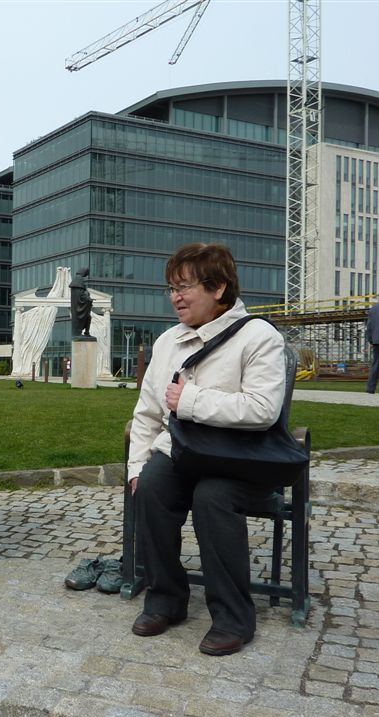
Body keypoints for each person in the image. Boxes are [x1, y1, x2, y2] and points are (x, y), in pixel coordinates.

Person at [126, 243, 286, 657]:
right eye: (171, 288)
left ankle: (234, 617)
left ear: (218, 288)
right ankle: (166, 600)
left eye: (184, 287)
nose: (175, 297)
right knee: (152, 487)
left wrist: (192, 400)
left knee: (212, 496)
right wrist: (135, 467)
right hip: (181, 453)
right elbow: (146, 414)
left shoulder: (258, 336)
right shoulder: (167, 342)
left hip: (238, 459)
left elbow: (264, 410)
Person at [69, 267, 94, 338]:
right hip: (79, 307)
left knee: (88, 317)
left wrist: (87, 297)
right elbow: (80, 295)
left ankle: (87, 332)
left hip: (80, 305)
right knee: (86, 317)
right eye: (86, 274)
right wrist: (87, 297)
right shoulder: (78, 279)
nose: (85, 276)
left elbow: (82, 293)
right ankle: (79, 333)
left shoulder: (79, 280)